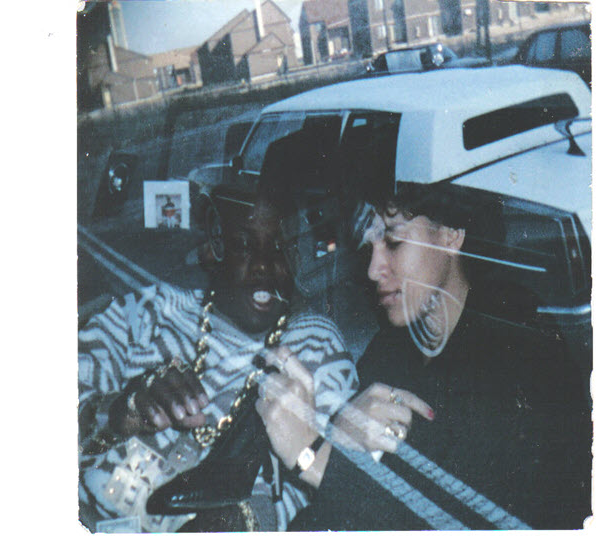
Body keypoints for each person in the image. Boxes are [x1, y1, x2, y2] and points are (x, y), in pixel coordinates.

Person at [256, 182, 592, 530]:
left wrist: (312, 457)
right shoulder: (393, 350)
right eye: (369, 247)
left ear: (451, 235)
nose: (373, 269)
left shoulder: (520, 343)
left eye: (393, 242)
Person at [78, 185, 358, 533]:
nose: (263, 265)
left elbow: (327, 485)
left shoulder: (313, 344)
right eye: (244, 245)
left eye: (280, 247)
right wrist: (122, 412)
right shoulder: (149, 310)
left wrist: (240, 521)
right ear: (213, 248)